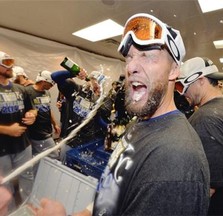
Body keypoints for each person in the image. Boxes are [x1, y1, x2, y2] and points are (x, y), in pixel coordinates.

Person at [35, 13, 210, 216]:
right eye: (130, 57)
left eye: (148, 56)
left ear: (173, 71)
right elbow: (110, 198)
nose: (131, 67)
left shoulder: (175, 160)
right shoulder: (141, 124)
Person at [176, 56, 223, 215]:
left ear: (200, 80)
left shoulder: (208, 119)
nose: (182, 93)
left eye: (182, 86)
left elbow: (207, 187)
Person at [0, 51, 37, 211]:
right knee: (5, 184)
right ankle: (7, 211)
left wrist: (32, 115)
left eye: (11, 62)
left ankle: (25, 210)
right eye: (6, 63)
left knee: (27, 176)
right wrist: (7, 130)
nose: (11, 66)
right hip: (2, 151)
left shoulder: (20, 89)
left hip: (23, 145)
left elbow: (32, 109)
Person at [51, 69, 107, 160]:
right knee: (64, 167)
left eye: (100, 85)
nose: (98, 87)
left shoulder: (97, 101)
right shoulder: (76, 90)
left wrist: (109, 127)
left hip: (86, 142)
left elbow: (97, 119)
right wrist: (74, 72)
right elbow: (55, 76)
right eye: (96, 83)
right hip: (70, 140)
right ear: (89, 81)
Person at [25, 70, 61, 171]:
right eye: (51, 83)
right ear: (44, 81)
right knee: (54, 156)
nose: (52, 86)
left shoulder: (47, 93)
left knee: (38, 157)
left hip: (47, 130)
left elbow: (48, 109)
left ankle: (37, 176)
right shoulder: (28, 92)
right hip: (36, 132)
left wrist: (54, 124)